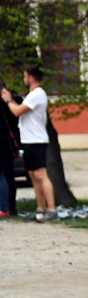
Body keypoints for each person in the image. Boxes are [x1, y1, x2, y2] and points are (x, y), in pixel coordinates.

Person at [1, 65, 57, 223]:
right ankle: (40, 209)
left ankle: (52, 210)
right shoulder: (32, 95)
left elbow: (17, 111)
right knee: (33, 175)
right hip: (29, 140)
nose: (24, 79)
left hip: (37, 141)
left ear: (31, 78)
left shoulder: (37, 94)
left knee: (41, 175)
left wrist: (8, 99)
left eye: (25, 76)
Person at [0, 78, 20, 217]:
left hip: (2, 144)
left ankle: (4, 207)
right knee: (8, 176)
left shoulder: (4, 103)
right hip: (8, 144)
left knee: (3, 177)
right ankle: (10, 206)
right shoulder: (10, 102)